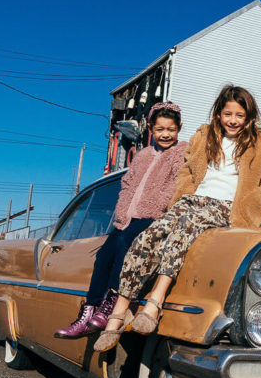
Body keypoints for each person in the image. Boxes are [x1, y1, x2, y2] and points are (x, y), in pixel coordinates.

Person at [94, 84, 261, 351]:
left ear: (249, 117)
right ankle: (120, 311)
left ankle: (155, 300)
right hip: (189, 202)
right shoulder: (204, 136)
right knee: (146, 237)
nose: (233, 120)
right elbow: (187, 174)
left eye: (239, 115)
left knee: (183, 230)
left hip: (225, 208)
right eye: (227, 114)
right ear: (218, 114)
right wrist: (176, 203)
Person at [55, 102, 187, 339]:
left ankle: (111, 305)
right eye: (159, 129)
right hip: (126, 216)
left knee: (126, 245)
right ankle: (89, 311)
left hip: (153, 215)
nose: (165, 134)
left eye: (171, 129)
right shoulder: (143, 155)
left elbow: (180, 184)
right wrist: (122, 209)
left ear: (179, 129)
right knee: (103, 255)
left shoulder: (181, 152)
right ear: (150, 129)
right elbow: (127, 184)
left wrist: (161, 206)